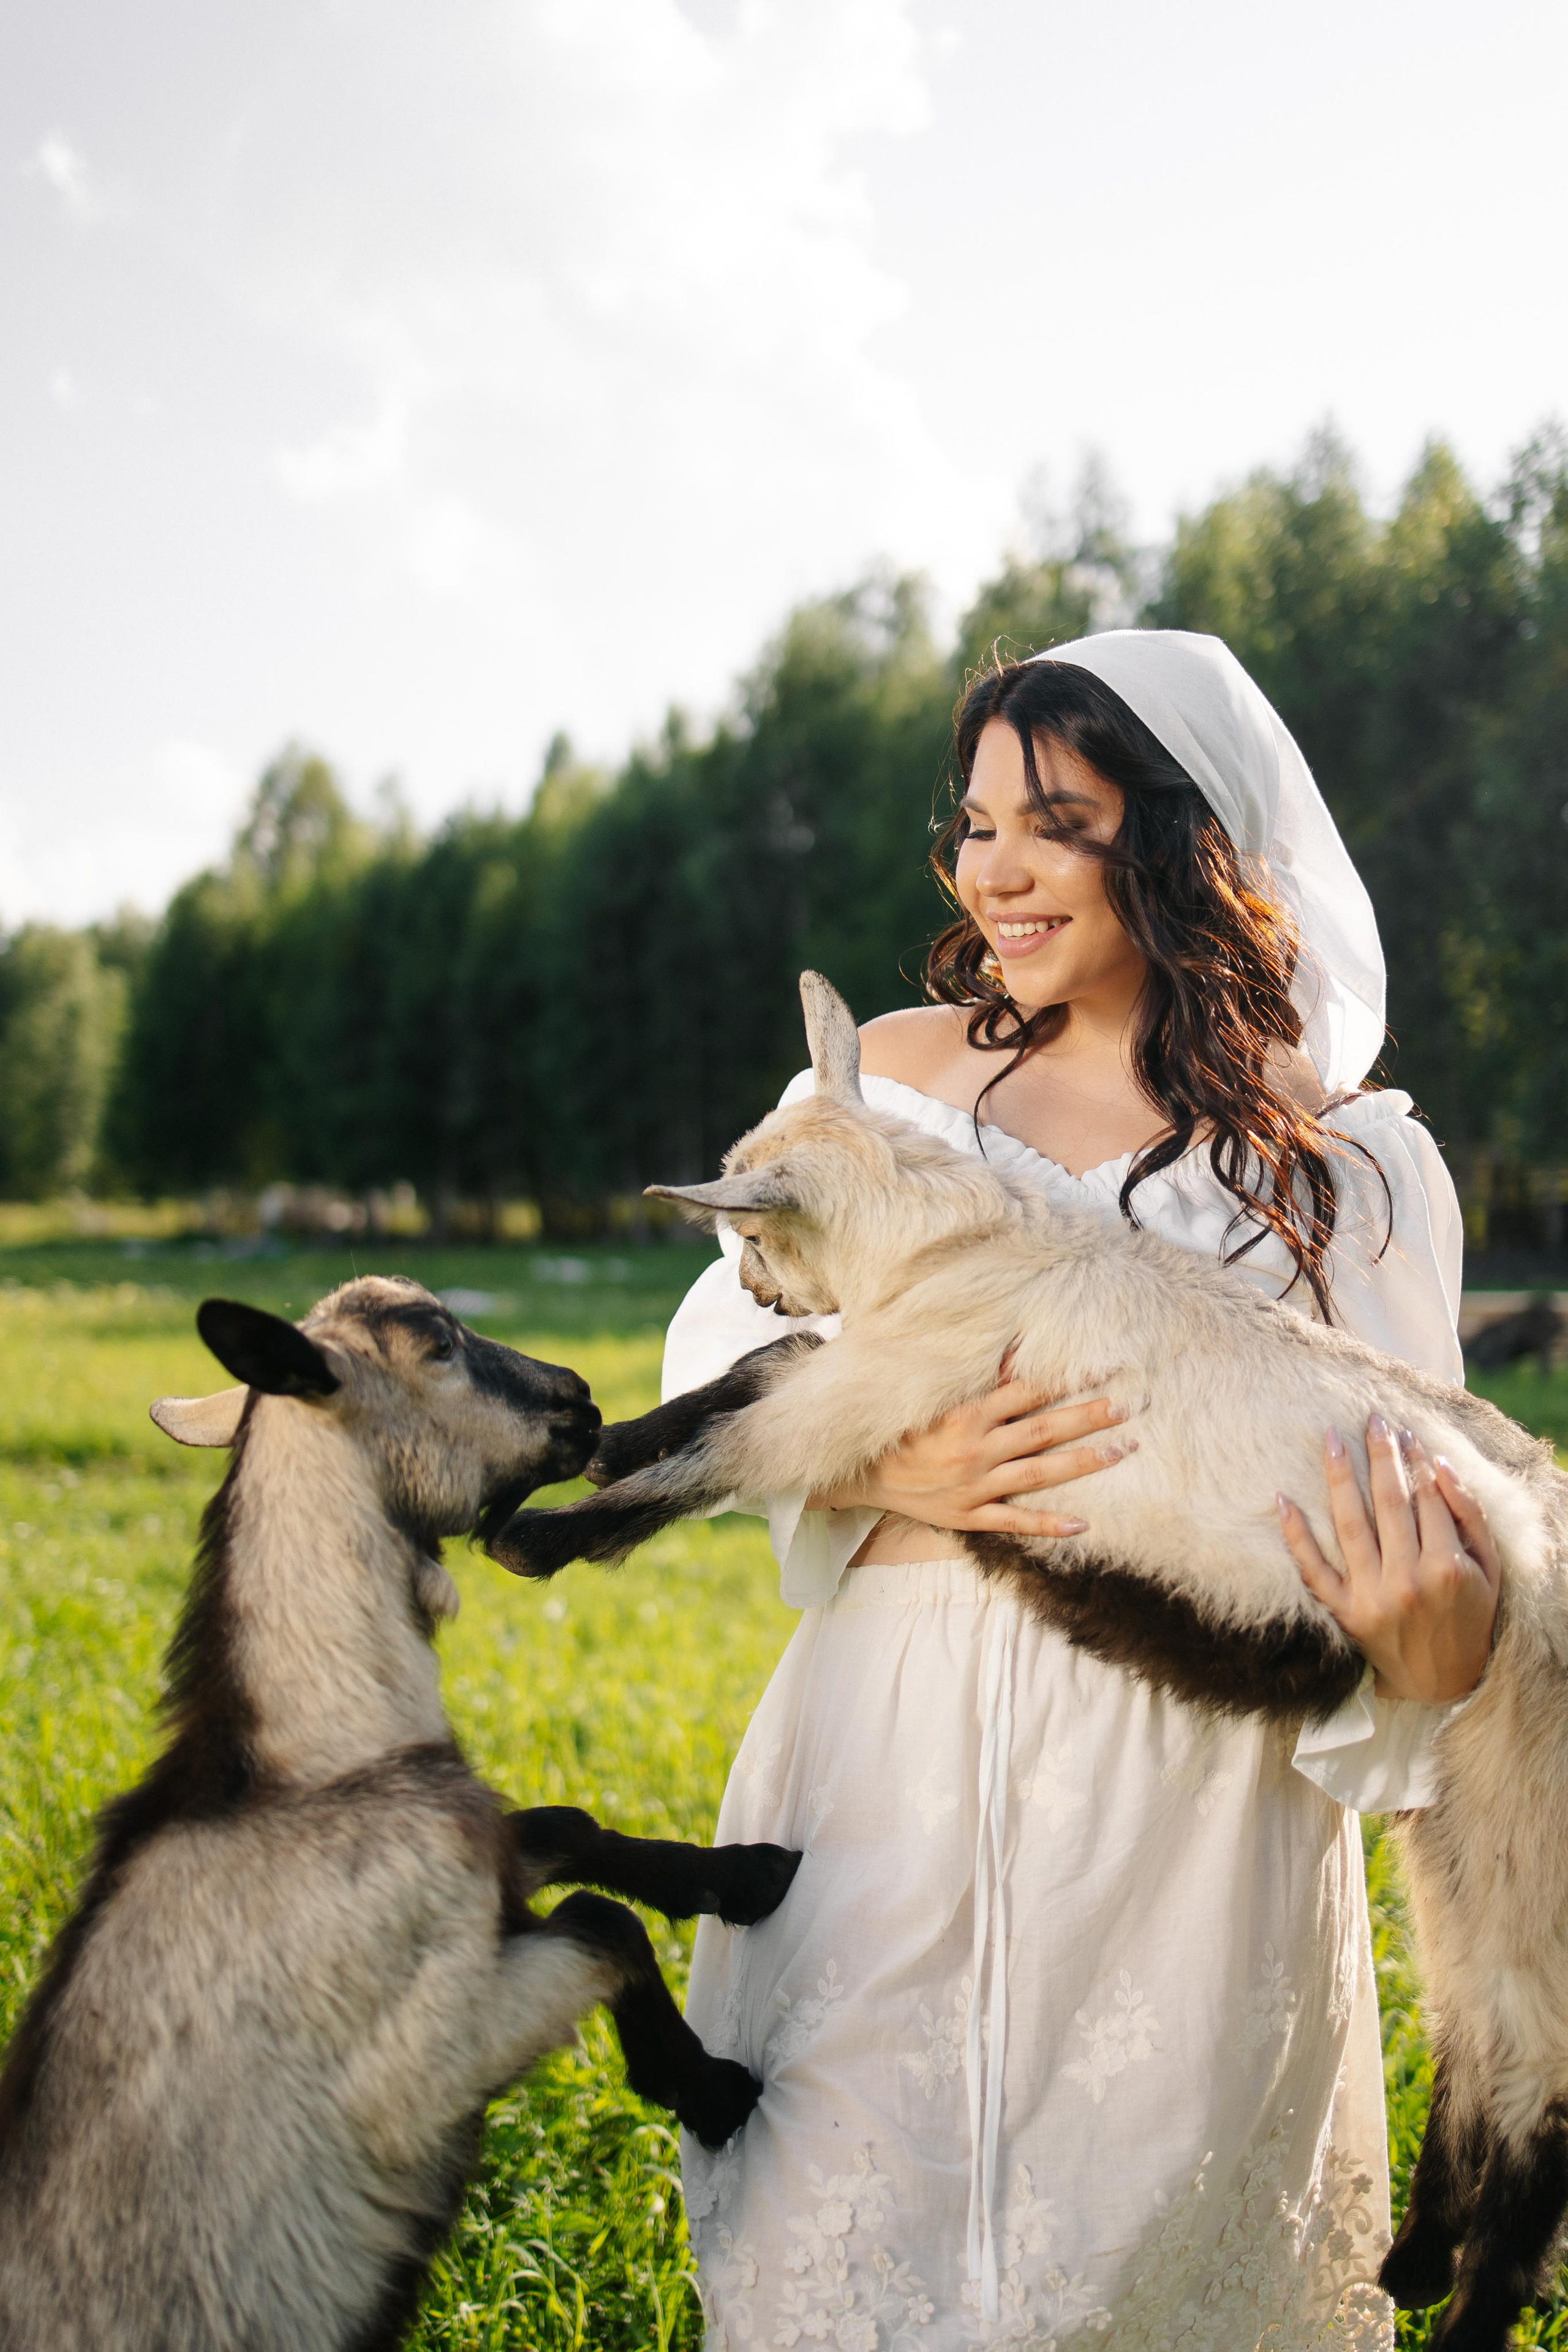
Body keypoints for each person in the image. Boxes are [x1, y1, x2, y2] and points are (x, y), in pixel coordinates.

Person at [663, 631, 1500, 2351]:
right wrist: (893, 1458)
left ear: (1185, 842)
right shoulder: (880, 1083)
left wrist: (1437, 1637)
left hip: (1186, 1825)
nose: (997, 869)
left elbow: (1420, 1553)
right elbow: (704, 1354)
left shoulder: (1345, 1172)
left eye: (1056, 818)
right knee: (853, 2248)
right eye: (972, 823)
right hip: (885, 1759)